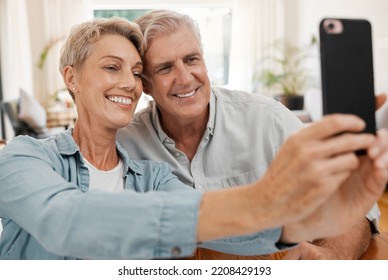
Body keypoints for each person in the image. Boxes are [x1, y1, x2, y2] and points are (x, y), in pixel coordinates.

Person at [0, 18, 386, 261]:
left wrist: (304, 225)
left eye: (135, 72)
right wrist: (267, 199)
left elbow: (218, 227)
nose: (127, 83)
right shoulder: (26, 157)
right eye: (111, 67)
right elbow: (66, 220)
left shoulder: (149, 178)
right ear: (71, 78)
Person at [117, 9, 387, 259]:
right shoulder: (125, 144)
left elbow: (356, 209)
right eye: (165, 68)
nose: (186, 78)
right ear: (145, 84)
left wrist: (331, 256)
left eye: (192, 59)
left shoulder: (267, 119)